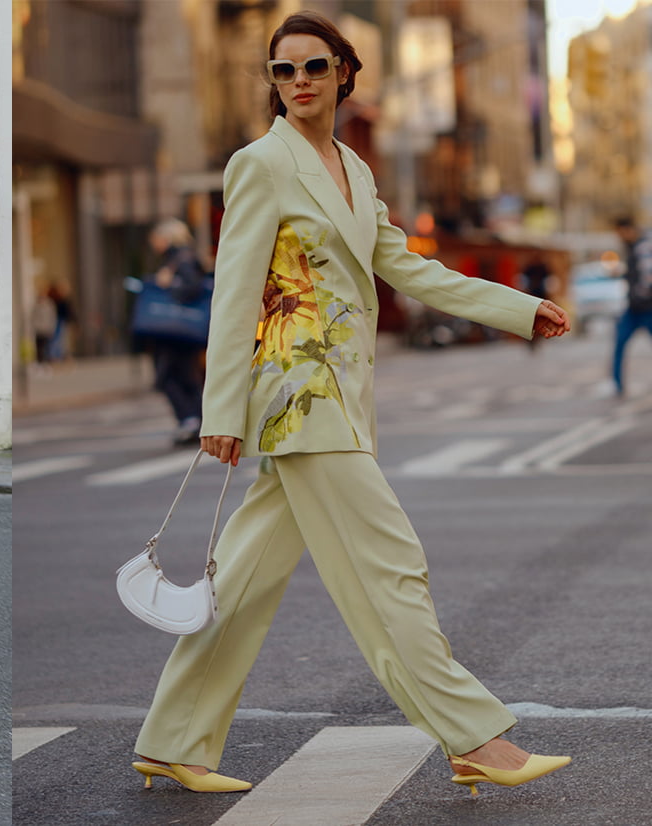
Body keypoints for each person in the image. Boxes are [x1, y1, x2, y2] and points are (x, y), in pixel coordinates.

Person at [129, 11, 572, 797]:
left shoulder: (355, 170)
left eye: (313, 67)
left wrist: (516, 308)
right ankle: (473, 736)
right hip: (301, 398)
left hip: (341, 398)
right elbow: (234, 297)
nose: (298, 81)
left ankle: (173, 740)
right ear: (272, 83)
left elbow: (411, 270)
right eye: (282, 70)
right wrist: (221, 413)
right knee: (389, 566)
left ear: (344, 73)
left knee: (244, 580)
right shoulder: (259, 165)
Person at [146, 219, 209, 444]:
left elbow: (190, 288)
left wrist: (168, 285)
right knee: (184, 375)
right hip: (181, 332)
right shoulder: (182, 257)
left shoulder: (181, 259)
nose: (154, 243)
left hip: (177, 332)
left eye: (156, 238)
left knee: (168, 376)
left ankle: (191, 419)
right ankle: (196, 420)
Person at [612, 217, 652, 394]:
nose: (619, 237)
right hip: (636, 307)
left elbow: (648, 276)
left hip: (646, 307)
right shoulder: (633, 246)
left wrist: (639, 296)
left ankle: (617, 384)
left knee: (620, 343)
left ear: (627, 230)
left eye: (620, 233)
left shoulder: (642, 246)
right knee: (619, 342)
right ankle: (617, 384)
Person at [521, 254, 552, 352]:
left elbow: (549, 282)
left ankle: (536, 339)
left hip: (538, 297)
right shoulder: (532, 268)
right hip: (533, 297)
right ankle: (532, 339)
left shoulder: (543, 268)